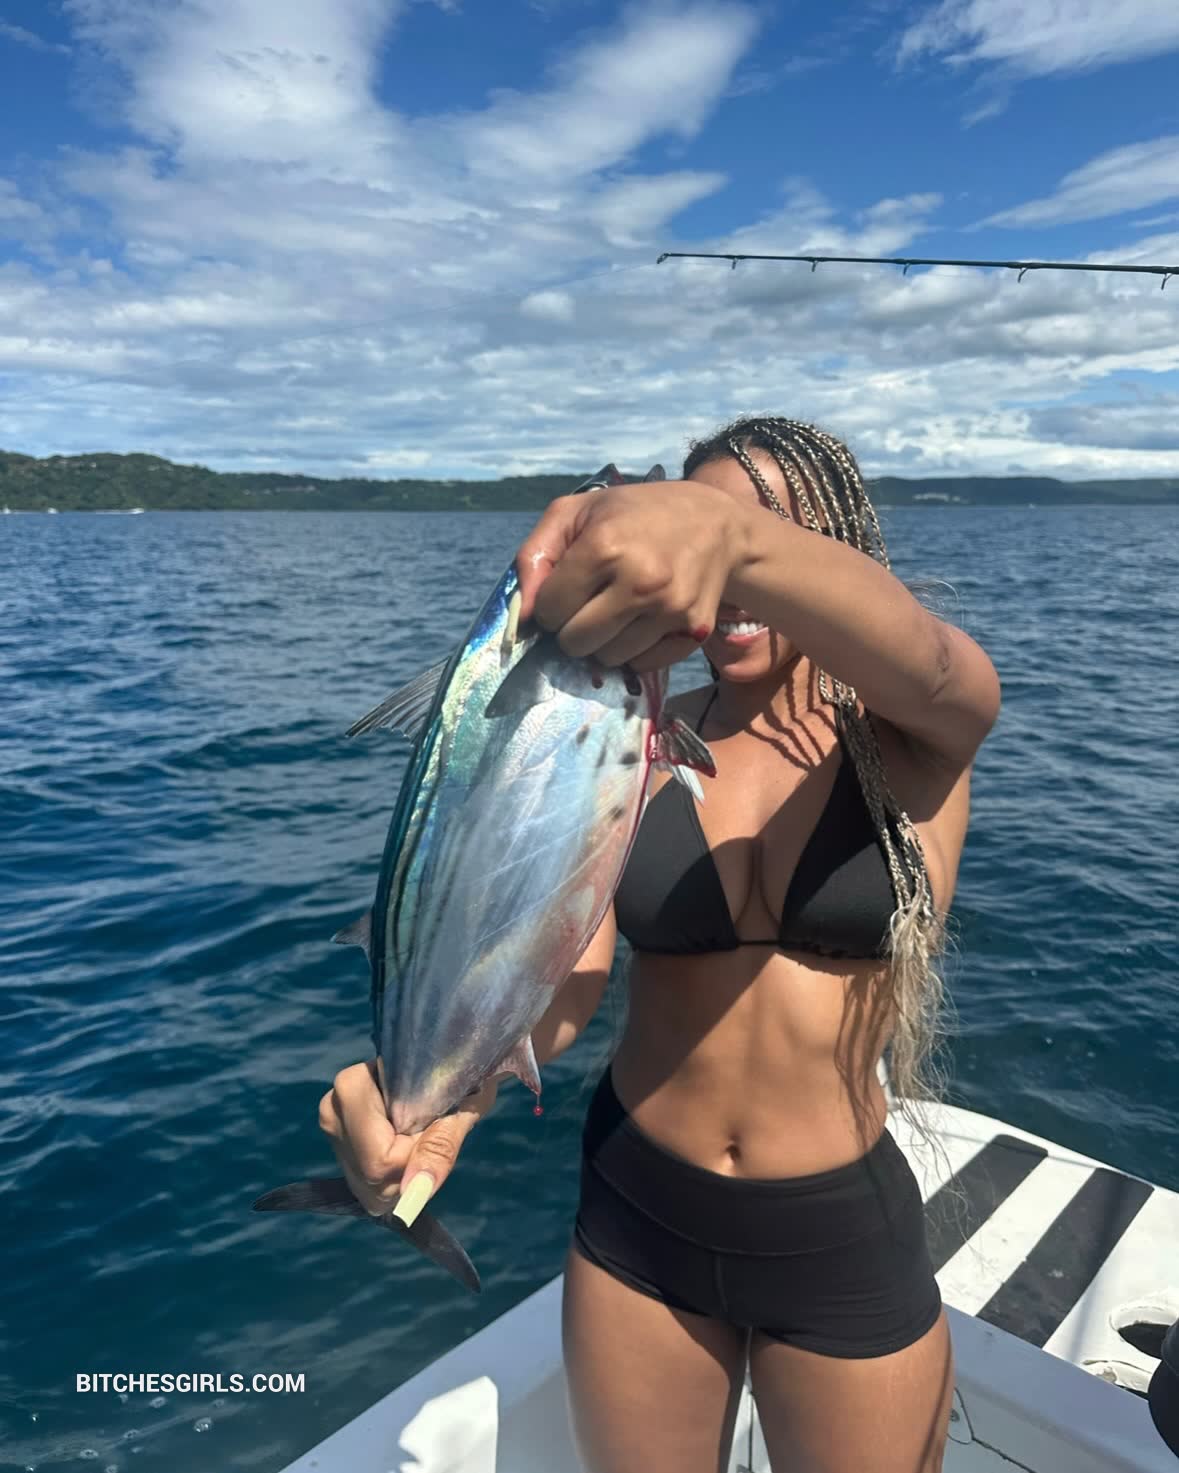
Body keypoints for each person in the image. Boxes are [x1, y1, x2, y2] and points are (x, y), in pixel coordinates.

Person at [318, 417, 1001, 1473]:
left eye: (765, 531)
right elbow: (564, 975)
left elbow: (937, 663)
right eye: (703, 526)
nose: (726, 575)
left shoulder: (918, 732)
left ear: (834, 550)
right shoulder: (620, 731)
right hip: (637, 1214)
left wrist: (725, 539)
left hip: (836, 1234)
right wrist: (450, 1094)